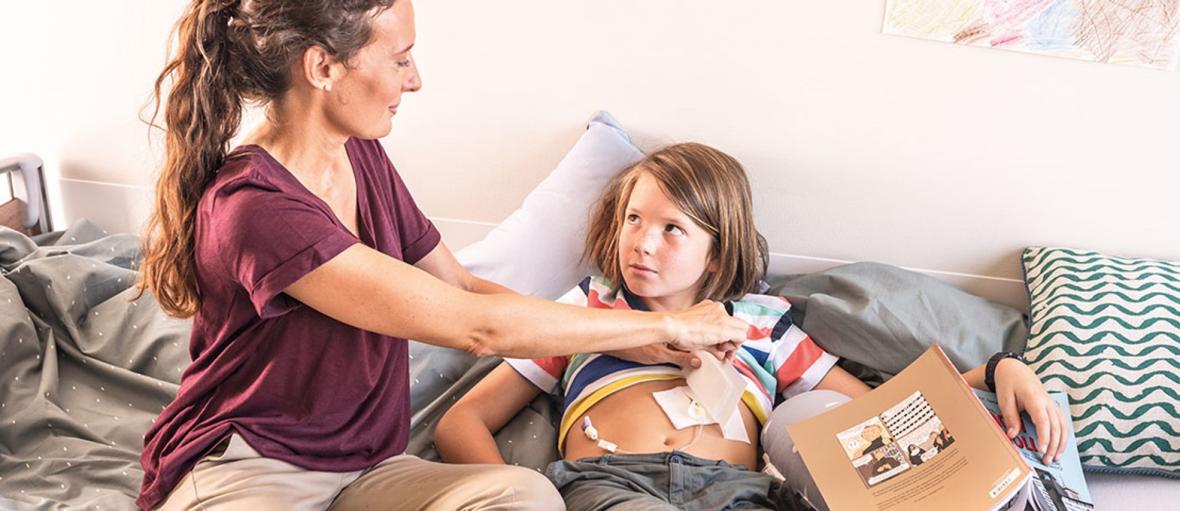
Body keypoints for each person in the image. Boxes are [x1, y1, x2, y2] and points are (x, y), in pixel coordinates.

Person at [133, 2, 747, 510]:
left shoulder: (359, 153)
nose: (414, 78)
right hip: (252, 469)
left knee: (526, 497)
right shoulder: (255, 208)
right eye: (400, 59)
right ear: (323, 67)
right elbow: (473, 327)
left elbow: (461, 284)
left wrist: (626, 341)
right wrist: (664, 322)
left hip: (367, 471)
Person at [435, 143, 1070, 510]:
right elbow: (461, 420)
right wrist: (521, 497)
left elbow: (882, 418)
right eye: (633, 219)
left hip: (739, 493)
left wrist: (996, 368)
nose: (641, 244)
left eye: (671, 229)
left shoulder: (764, 325)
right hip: (611, 482)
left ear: (718, 250)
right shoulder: (586, 311)